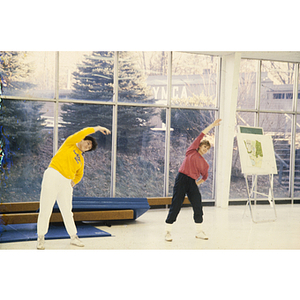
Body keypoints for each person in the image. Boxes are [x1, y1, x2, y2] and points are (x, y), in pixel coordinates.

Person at [36, 125, 111, 250]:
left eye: (89, 147)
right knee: (46, 207)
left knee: (67, 211)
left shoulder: (81, 159)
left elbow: (80, 174)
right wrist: (97, 128)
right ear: (81, 140)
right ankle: (40, 237)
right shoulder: (70, 143)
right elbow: (82, 132)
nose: (87, 146)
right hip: (53, 175)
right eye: (87, 143)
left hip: (66, 183)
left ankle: (73, 237)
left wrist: (73, 182)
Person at [165, 118, 221, 242]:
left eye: (207, 149)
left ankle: (199, 231)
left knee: (198, 205)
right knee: (176, 205)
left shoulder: (205, 164)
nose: (205, 149)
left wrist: (196, 183)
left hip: (192, 183)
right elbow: (202, 134)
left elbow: (205, 177)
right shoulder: (191, 151)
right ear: (199, 146)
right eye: (204, 147)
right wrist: (212, 125)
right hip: (181, 179)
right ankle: (168, 231)